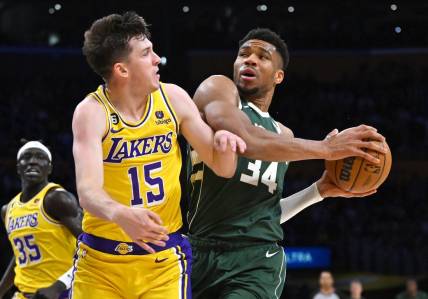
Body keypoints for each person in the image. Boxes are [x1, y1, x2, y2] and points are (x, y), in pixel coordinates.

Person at [188, 28, 386, 299]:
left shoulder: (284, 136)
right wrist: (326, 149)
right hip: (199, 254)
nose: (250, 60)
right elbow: (246, 137)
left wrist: (318, 191)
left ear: (278, 76)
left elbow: (265, 214)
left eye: (262, 57)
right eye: (243, 54)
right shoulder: (216, 89)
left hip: (256, 261)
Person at [71, 11, 245, 299]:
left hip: (163, 261)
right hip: (100, 261)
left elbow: (222, 167)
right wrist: (121, 214)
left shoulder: (174, 98)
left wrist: (224, 145)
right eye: (146, 53)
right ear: (122, 70)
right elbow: (88, 191)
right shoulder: (91, 112)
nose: (157, 59)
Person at [0, 141, 82, 299]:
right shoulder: (8, 210)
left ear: (49, 168)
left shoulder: (57, 199)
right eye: (27, 156)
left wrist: (58, 287)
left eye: (40, 157)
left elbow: (91, 247)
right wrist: (2, 288)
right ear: (18, 167)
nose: (33, 161)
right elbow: (20, 254)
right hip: (23, 294)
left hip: (64, 293)